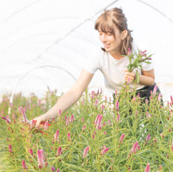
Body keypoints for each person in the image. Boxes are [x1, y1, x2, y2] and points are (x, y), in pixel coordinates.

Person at [33, 7, 161, 127]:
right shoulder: (99, 55)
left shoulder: (139, 50)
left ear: (123, 34)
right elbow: (76, 90)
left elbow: (151, 79)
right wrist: (48, 115)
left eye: (109, 34)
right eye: (100, 33)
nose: (103, 39)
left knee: (158, 136)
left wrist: (135, 77)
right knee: (130, 141)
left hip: (147, 94)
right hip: (123, 99)